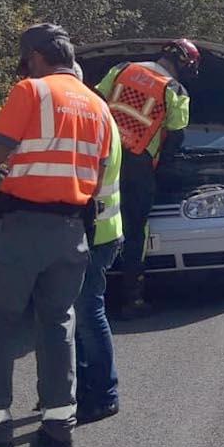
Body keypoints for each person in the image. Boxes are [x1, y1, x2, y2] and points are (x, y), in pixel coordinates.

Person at [0, 23, 111, 447]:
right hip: (71, 231)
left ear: (36, 58)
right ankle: (60, 425)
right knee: (58, 323)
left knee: (0, 324)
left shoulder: (32, 91)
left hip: (23, 228)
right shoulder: (98, 105)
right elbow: (93, 173)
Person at [96, 39, 196, 314]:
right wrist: (164, 167)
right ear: (184, 64)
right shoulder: (174, 89)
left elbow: (96, 104)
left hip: (103, 156)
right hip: (137, 166)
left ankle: (91, 290)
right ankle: (133, 298)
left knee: (95, 219)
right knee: (135, 228)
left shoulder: (122, 69)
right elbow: (176, 135)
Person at [74, 102, 125, 423]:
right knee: (81, 317)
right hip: (103, 231)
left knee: (88, 315)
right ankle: (84, 391)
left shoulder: (91, 124)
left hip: (95, 233)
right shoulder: (103, 117)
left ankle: (104, 394)